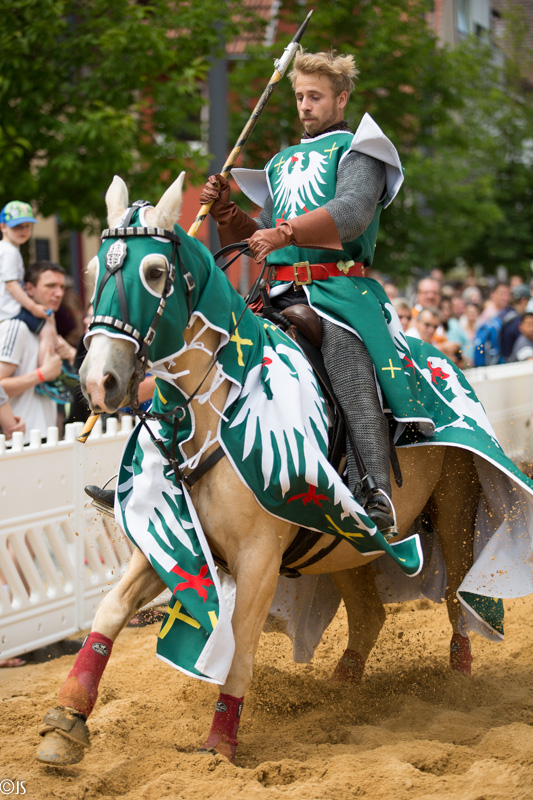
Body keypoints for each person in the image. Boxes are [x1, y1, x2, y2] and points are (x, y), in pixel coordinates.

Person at [199, 48, 406, 532]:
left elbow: (352, 212)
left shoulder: (362, 150)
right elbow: (262, 236)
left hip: (337, 294)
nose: (305, 105)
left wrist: (286, 234)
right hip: (274, 292)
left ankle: (374, 490)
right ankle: (175, 474)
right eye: (298, 97)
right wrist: (229, 213)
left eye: (315, 96)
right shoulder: (280, 162)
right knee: (207, 354)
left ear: (341, 99)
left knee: (346, 363)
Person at [0, 261, 66, 442]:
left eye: (61, 287)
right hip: (18, 440)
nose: (59, 293)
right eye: (50, 286)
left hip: (45, 435)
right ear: (29, 289)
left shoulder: (47, 327)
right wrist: (42, 374)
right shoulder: (16, 326)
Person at [0, 201, 57, 365]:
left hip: (8, 309)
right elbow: (11, 286)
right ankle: (47, 370)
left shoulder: (6, 249)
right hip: (11, 311)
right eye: (17, 226)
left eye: (27, 226)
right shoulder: (9, 252)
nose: (23, 230)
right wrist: (34, 307)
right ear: (3, 227)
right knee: (47, 325)